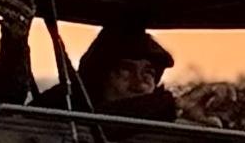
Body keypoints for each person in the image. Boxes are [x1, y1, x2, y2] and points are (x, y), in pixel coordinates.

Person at [41, 24, 178, 121]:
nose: (139, 85)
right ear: (100, 77)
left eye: (148, 73)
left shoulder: (164, 123)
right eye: (126, 70)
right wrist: (172, 105)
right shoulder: (63, 107)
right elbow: (102, 125)